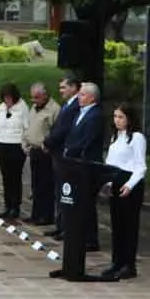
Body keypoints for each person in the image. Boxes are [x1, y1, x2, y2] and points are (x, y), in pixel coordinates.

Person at [52, 81, 105, 283]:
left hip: (84, 167)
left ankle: (89, 239)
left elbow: (86, 141)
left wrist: (72, 154)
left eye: (83, 95)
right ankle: (72, 250)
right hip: (72, 165)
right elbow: (72, 136)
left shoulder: (95, 115)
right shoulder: (80, 113)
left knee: (86, 205)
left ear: (92, 97)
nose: (80, 98)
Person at [91, 102, 148, 282]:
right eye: (115, 117)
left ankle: (128, 264)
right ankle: (117, 262)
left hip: (130, 183)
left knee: (129, 226)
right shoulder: (115, 137)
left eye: (121, 117)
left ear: (129, 119)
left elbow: (140, 166)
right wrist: (107, 182)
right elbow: (110, 162)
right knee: (117, 225)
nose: (117, 121)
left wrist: (130, 185)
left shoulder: (137, 137)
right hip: (115, 182)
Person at [40, 77, 81, 241]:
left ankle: (65, 227)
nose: (61, 91)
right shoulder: (67, 105)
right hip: (57, 152)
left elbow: (63, 129)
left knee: (66, 193)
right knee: (59, 191)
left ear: (73, 88)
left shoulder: (75, 106)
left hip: (64, 152)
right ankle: (60, 225)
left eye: (64, 87)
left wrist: (48, 142)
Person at [21, 84, 60, 227]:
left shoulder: (54, 109)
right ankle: (35, 213)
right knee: (35, 184)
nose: (34, 100)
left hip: (46, 151)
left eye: (37, 97)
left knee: (46, 185)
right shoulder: (34, 108)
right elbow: (30, 126)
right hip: (34, 150)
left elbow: (56, 131)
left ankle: (46, 215)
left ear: (45, 95)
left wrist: (49, 146)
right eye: (32, 97)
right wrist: (26, 141)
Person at [0, 84, 30, 222]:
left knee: (15, 178)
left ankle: (15, 206)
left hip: (16, 147)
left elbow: (27, 128)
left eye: (9, 97)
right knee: (6, 178)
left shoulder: (22, 109)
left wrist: (25, 146)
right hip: (3, 145)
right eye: (5, 98)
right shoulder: (1, 109)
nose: (7, 100)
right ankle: (7, 205)